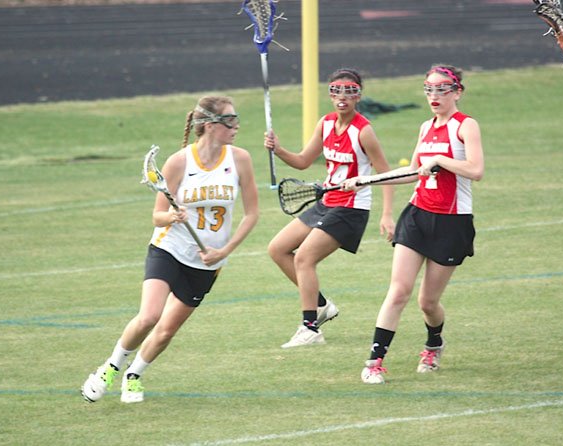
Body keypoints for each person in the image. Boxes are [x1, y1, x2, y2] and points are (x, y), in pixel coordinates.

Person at [81, 96, 259, 403]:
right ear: (209, 126)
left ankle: (134, 374)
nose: (236, 126)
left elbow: (252, 214)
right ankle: (109, 368)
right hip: (170, 249)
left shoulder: (240, 159)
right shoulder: (179, 162)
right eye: (229, 120)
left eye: (236, 119)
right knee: (149, 316)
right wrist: (173, 216)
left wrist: (224, 251)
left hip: (207, 261)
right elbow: (157, 215)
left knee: (165, 331)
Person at [342, 64, 484, 384]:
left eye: (442, 89)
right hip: (418, 215)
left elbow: (475, 170)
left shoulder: (466, 126)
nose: (434, 95)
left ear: (457, 92)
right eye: (428, 89)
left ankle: (434, 344)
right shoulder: (425, 127)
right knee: (398, 292)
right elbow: (412, 173)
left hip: (452, 222)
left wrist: (440, 161)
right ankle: (374, 362)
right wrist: (368, 180)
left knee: (427, 302)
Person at [264, 68, 395, 348]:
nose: (342, 97)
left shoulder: (364, 131)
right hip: (327, 202)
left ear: (359, 95)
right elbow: (302, 161)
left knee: (304, 259)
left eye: (350, 91)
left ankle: (310, 328)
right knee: (278, 249)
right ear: (330, 95)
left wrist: (386, 214)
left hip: (351, 209)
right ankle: (321, 305)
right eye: (336, 90)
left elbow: (386, 174)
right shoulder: (325, 124)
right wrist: (278, 149)